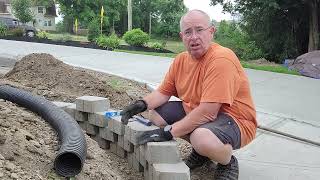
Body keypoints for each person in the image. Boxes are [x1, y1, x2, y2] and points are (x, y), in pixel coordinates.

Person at [120, 9, 257, 180]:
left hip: (235, 120)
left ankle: (227, 161)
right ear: (181, 36)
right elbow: (163, 92)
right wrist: (140, 104)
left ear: (211, 32)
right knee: (155, 115)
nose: (193, 37)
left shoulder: (221, 59)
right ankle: (202, 153)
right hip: (200, 112)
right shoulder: (181, 60)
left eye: (199, 30)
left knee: (201, 138)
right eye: (188, 32)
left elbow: (208, 111)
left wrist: (169, 132)